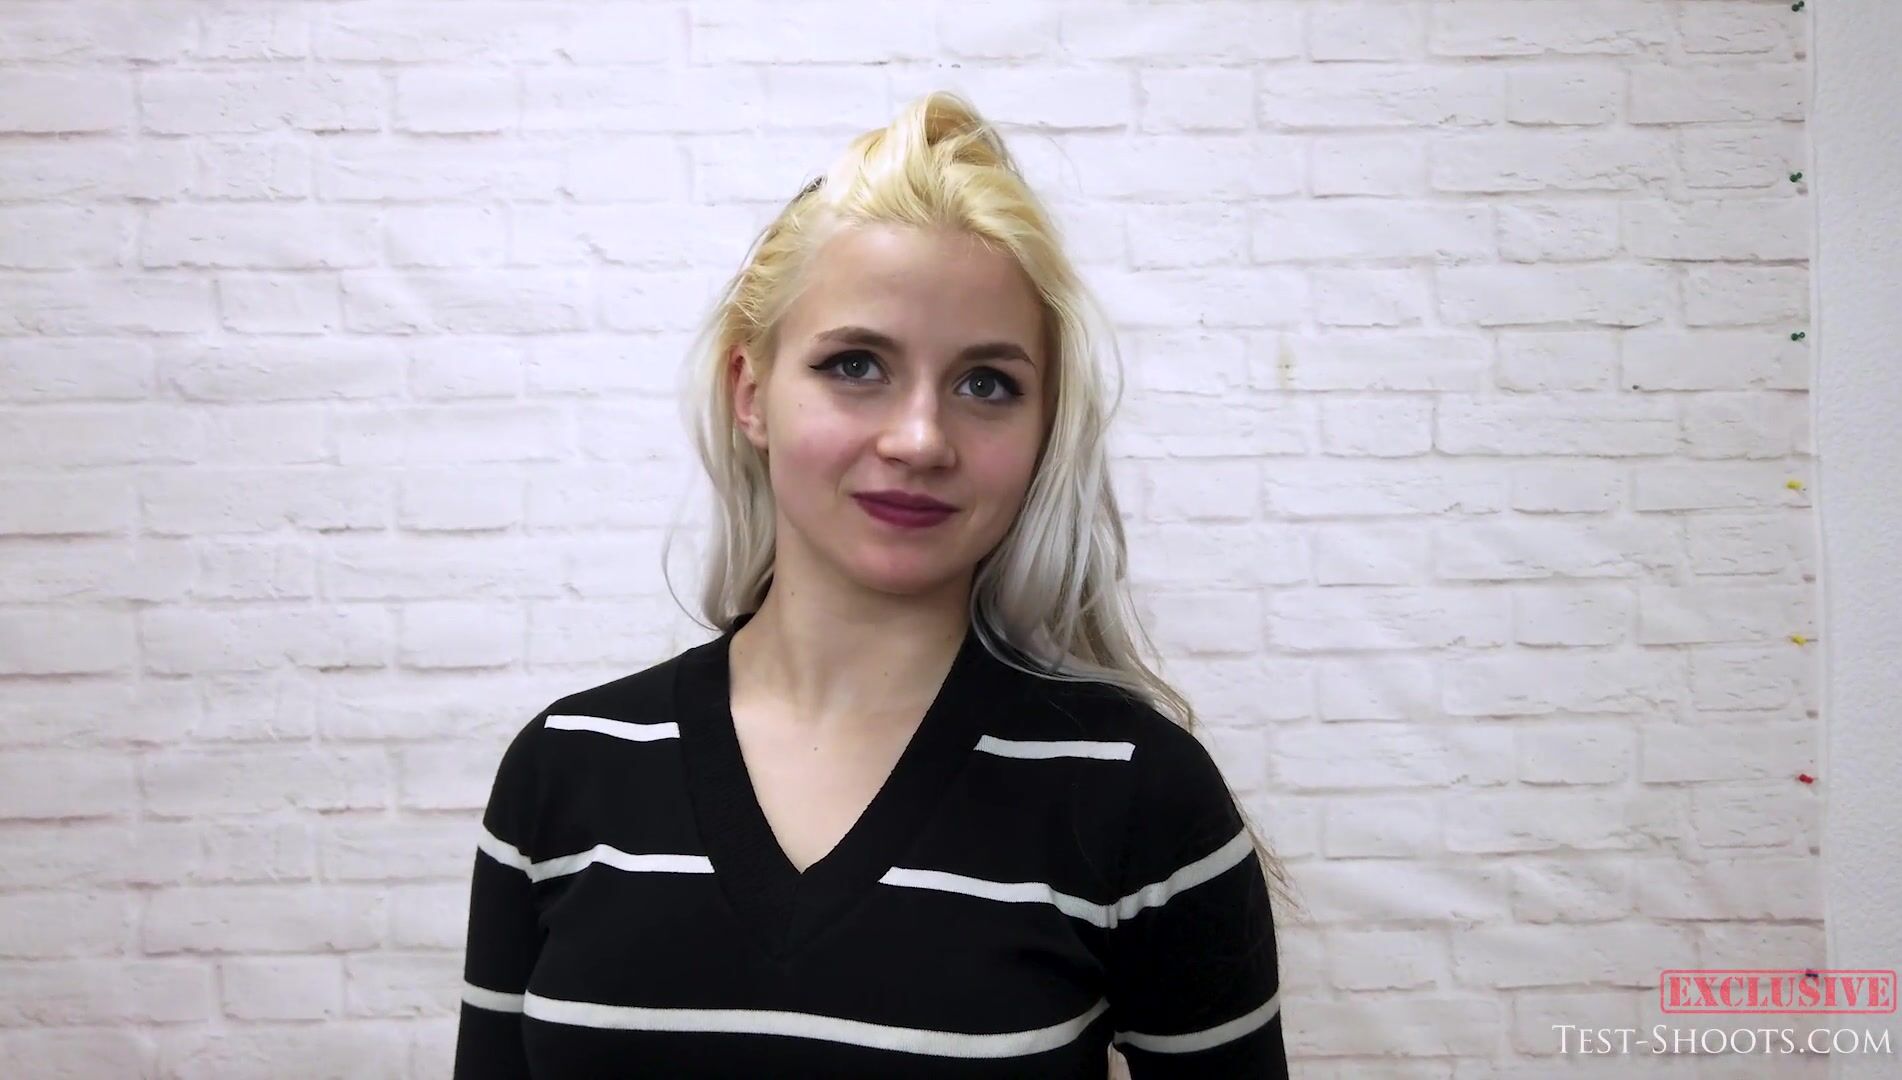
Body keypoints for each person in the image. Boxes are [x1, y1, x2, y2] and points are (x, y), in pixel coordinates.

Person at [453, 90, 1293, 1079]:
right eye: (856, 365)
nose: (921, 439)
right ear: (751, 394)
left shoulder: (1138, 796)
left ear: (1043, 428)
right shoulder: (566, 771)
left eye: (987, 384)